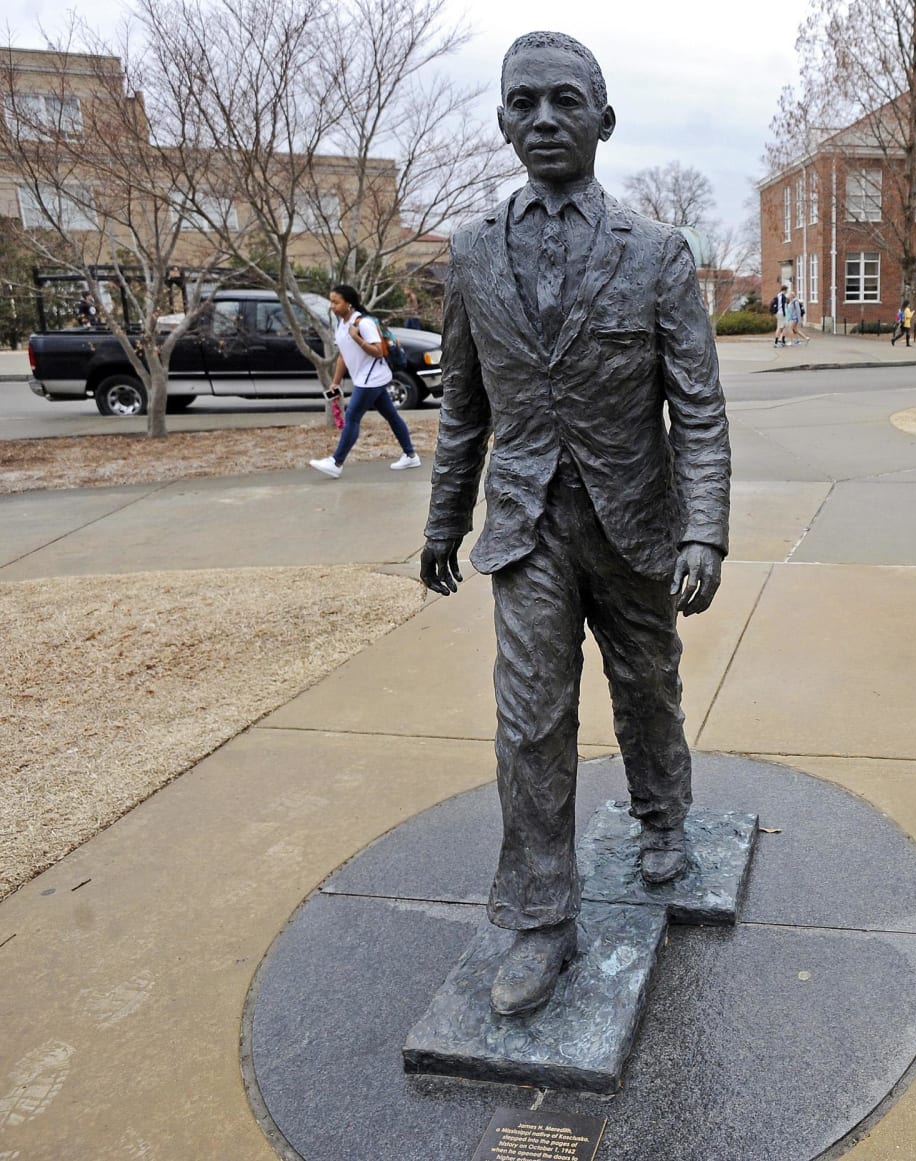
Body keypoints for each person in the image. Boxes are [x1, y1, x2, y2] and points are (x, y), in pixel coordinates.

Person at [419, 31, 730, 1017]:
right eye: (524, 103)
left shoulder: (660, 255)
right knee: (530, 719)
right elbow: (463, 406)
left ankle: (662, 817)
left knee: (647, 686)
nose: (544, 119)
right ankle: (543, 918)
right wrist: (441, 525)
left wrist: (705, 533)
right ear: (503, 121)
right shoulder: (469, 255)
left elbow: (701, 411)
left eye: (565, 101)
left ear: (604, 119)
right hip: (524, 525)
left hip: (634, 520)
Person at [308, 284, 421, 478]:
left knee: (352, 417)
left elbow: (378, 350)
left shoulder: (363, 323)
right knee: (391, 416)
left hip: (373, 378)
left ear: (349, 303)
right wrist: (335, 382)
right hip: (365, 378)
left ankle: (336, 462)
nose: (332, 306)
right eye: (331, 302)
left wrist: (357, 338)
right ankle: (411, 455)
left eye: (336, 302)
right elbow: (343, 356)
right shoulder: (341, 324)